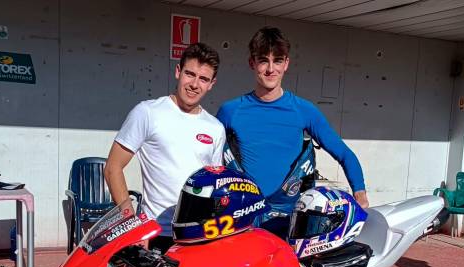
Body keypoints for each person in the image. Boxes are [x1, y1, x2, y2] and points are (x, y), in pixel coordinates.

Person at [216, 26, 368, 238]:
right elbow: (207, 159)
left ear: (286, 63)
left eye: (277, 60)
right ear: (252, 63)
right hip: (242, 219)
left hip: (291, 221)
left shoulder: (304, 110)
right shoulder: (230, 111)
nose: (270, 69)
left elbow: (344, 154)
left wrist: (360, 193)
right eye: (263, 60)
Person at [104, 43, 225, 252]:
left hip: (198, 237)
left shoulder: (215, 128)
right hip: (156, 234)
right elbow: (112, 168)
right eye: (190, 74)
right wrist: (131, 225)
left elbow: (215, 185)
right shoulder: (147, 113)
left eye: (203, 79)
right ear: (178, 72)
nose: (194, 84)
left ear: (211, 84)